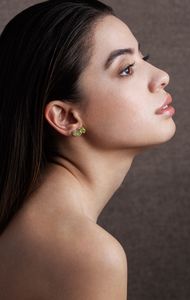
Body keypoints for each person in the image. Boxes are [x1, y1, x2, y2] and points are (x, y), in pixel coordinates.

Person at [0, 0, 176, 299]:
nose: (161, 76)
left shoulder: (30, 222)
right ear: (66, 117)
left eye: (143, 56)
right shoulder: (90, 255)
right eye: (127, 69)